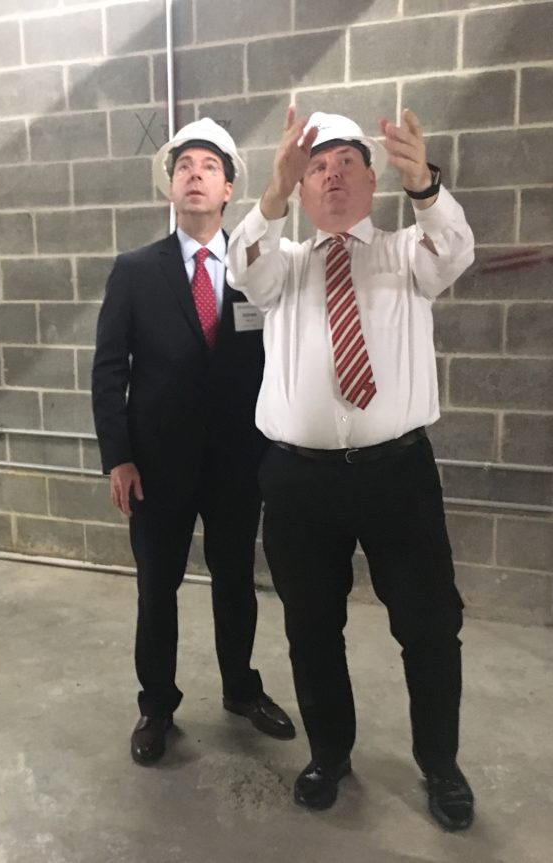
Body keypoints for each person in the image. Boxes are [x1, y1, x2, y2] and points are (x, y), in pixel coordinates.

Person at [226, 107, 476, 830]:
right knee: (310, 625)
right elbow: (242, 263)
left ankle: (441, 764)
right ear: (302, 190)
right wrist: (268, 195)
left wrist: (425, 183)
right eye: (316, 166)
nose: (331, 175)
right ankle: (329, 752)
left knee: (429, 627)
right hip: (299, 482)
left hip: (397, 476)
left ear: (373, 180)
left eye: (347, 163)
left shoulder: (407, 255)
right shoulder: (284, 268)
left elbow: (455, 247)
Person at [91, 118, 295, 766]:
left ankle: (241, 689)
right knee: (159, 587)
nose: (195, 175)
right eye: (185, 167)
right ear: (170, 188)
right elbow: (109, 369)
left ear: (230, 187)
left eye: (209, 166)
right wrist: (118, 456)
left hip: (240, 463)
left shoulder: (255, 268)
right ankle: (157, 705)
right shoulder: (134, 272)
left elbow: (283, 359)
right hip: (156, 467)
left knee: (236, 580)